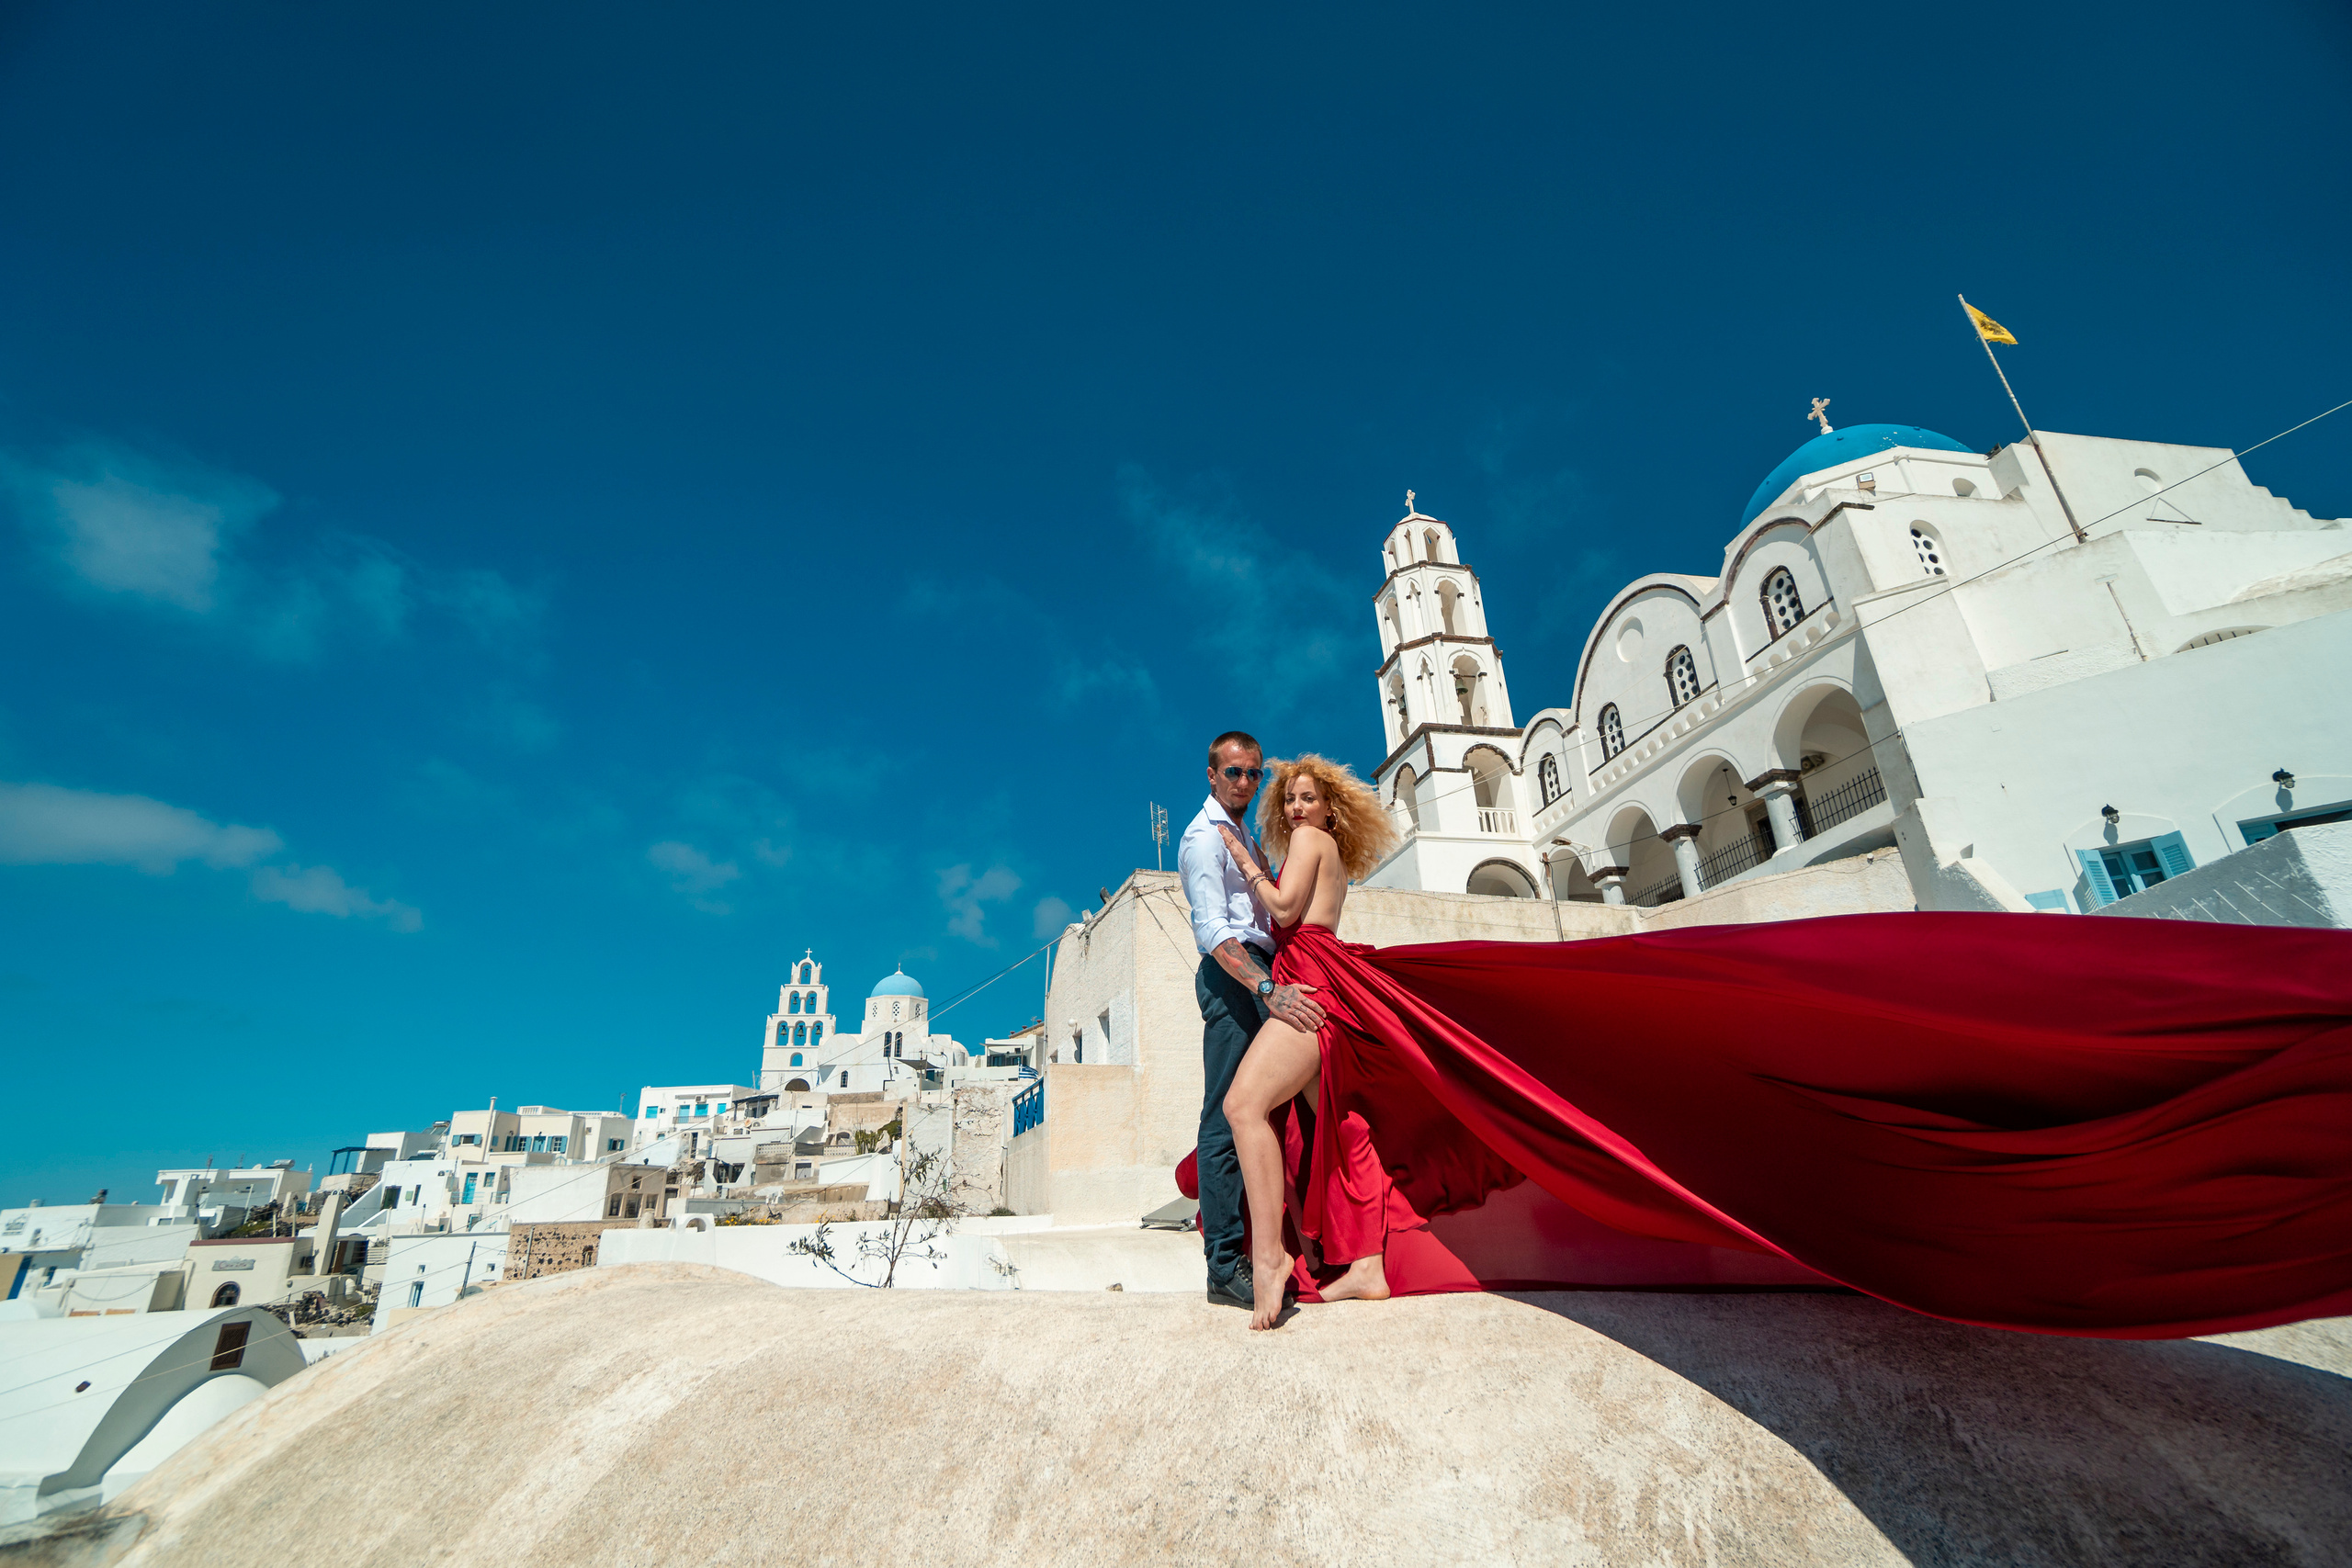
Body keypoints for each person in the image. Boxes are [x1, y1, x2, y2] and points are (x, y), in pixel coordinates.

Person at [1212, 754, 2352, 1338]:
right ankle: (1350, 1262)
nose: (1300, 804)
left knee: (1247, 1114)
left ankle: (1272, 1269)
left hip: (1314, 985)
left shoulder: (1305, 851)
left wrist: (1231, 846)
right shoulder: (1325, 850)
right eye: (1292, 797)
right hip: (1326, 988)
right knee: (1351, 1127)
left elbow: (1275, 916)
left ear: (1328, 810)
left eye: (1311, 795)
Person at [1177, 730, 1327, 1311]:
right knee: (1226, 1116)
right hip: (1236, 978)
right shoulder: (1200, 840)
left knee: (1269, 1112)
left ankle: (1295, 1241)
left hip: (1265, 970)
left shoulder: (1244, 836)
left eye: (1254, 773)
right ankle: (1223, 1266)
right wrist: (1266, 988)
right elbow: (1214, 931)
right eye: (1234, 772)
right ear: (1212, 775)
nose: (1245, 782)